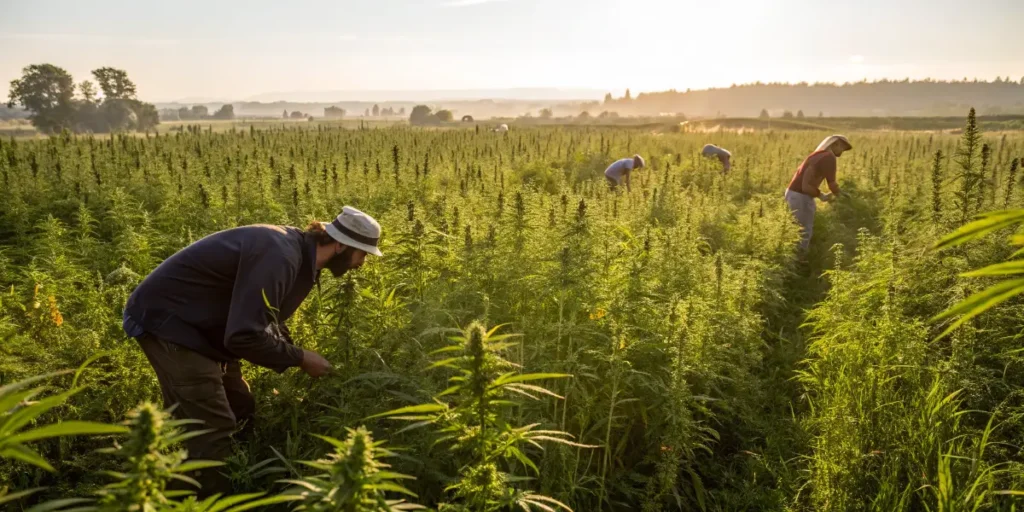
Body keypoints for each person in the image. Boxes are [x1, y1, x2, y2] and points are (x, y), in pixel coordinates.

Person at [121, 206, 383, 495]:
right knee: (213, 427)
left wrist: (290, 349)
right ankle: (196, 496)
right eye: (363, 253)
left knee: (240, 408)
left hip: (207, 327)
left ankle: (235, 477)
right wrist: (300, 358)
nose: (362, 263)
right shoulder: (281, 256)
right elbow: (244, 335)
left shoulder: (301, 257)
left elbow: (266, 317)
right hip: (171, 326)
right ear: (341, 245)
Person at [785, 135, 852, 253]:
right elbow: (831, 184)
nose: (842, 151)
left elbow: (808, 184)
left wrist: (821, 195)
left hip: (793, 194)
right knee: (804, 231)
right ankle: (799, 260)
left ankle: (793, 258)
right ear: (835, 144)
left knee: (795, 229)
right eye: (842, 147)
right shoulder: (829, 157)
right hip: (801, 197)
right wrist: (842, 195)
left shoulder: (818, 155)